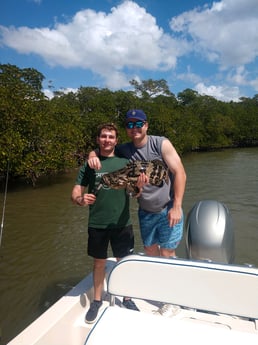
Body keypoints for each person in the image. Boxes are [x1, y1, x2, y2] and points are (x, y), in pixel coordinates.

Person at [88, 110, 187, 316]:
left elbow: (180, 172)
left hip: (169, 208)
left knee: (167, 254)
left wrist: (177, 206)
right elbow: (104, 150)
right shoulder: (125, 149)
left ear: (146, 125)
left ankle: (173, 299)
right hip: (146, 211)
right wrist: (91, 155)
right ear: (126, 129)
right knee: (151, 252)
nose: (135, 128)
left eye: (138, 124)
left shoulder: (161, 144)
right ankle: (157, 288)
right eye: (130, 125)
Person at [71, 123, 139, 324]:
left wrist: (140, 186)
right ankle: (97, 301)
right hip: (97, 223)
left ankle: (127, 298)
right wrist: (80, 200)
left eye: (111, 137)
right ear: (98, 139)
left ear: (116, 141)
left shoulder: (126, 162)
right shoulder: (89, 164)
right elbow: (76, 191)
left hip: (122, 222)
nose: (107, 140)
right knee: (99, 263)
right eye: (103, 136)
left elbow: (136, 193)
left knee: (124, 262)